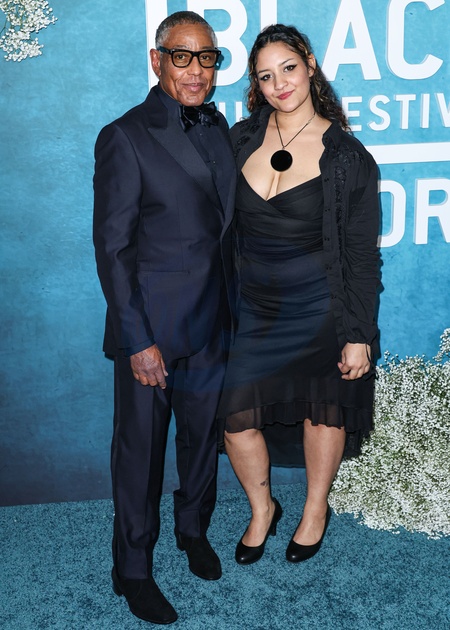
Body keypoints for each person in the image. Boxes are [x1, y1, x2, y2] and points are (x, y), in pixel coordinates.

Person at [217, 24, 380, 566]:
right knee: (235, 416)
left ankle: (314, 509)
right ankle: (262, 508)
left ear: (309, 65)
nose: (279, 83)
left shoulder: (348, 157)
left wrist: (358, 335)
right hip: (252, 310)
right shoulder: (239, 139)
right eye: (266, 76)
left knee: (323, 411)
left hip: (321, 310)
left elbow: (362, 257)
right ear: (256, 85)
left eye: (288, 68)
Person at [93, 11, 236, 625]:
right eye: (182, 56)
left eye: (207, 57)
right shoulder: (124, 136)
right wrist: (137, 340)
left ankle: (192, 530)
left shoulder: (219, 125)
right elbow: (113, 249)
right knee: (140, 452)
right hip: (151, 330)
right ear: (157, 60)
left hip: (214, 321)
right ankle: (132, 569)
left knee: (202, 441)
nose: (196, 70)